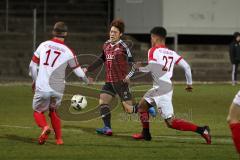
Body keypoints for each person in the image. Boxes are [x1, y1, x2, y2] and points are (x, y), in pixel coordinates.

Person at [131, 26, 211, 144]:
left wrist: (138, 69)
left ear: (154, 37)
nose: (151, 40)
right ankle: (146, 133)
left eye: (151, 37)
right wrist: (189, 84)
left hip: (161, 89)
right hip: (163, 86)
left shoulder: (153, 50)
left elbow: (151, 67)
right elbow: (187, 67)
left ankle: (202, 130)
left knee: (171, 123)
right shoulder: (172, 53)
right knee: (142, 106)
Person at [84, 19, 155, 136]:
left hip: (121, 82)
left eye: (115, 32)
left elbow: (134, 64)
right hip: (109, 82)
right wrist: (88, 69)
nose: (112, 34)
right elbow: (101, 58)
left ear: (120, 34)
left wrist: (128, 76)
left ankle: (147, 107)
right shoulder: (106, 44)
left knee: (128, 110)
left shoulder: (124, 46)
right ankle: (107, 128)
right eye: (111, 31)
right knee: (103, 101)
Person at [29, 21, 90, 145]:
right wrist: (86, 80)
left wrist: (35, 81)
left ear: (53, 32)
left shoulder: (44, 45)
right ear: (66, 34)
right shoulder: (68, 51)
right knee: (54, 111)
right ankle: (59, 139)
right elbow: (78, 72)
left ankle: (45, 128)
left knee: (38, 111)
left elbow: (32, 66)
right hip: (58, 89)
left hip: (43, 87)